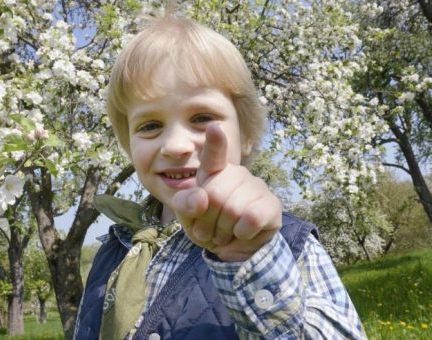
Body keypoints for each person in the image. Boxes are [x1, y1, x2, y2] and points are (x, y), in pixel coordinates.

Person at [74, 14, 366, 340]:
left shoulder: (283, 242)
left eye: (201, 117)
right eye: (150, 125)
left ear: (245, 135)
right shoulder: (113, 251)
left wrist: (252, 261)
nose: (175, 145)